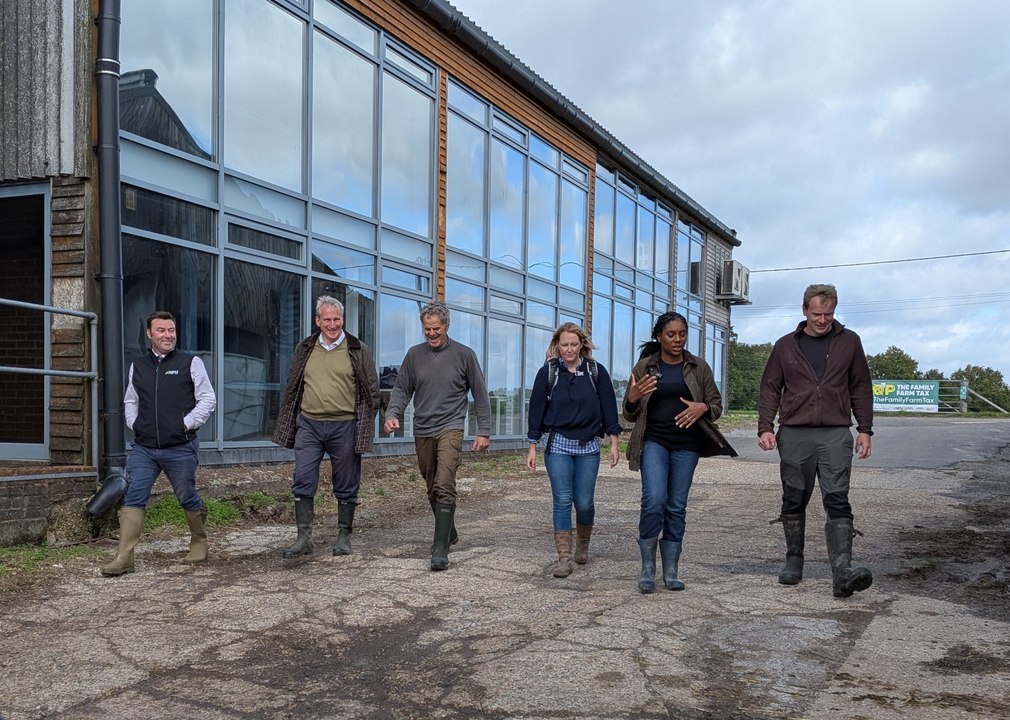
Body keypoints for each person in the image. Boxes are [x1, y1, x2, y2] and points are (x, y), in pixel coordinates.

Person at [758, 283, 874, 598]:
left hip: (836, 432)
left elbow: (861, 386)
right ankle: (794, 560)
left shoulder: (850, 342)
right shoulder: (785, 346)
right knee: (793, 498)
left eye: (828, 314)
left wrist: (865, 428)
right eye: (817, 313)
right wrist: (765, 427)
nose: (822, 320)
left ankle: (842, 572)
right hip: (795, 433)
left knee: (838, 498)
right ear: (804, 310)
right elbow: (770, 387)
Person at [622, 312, 736, 593]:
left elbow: (716, 405)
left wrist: (703, 408)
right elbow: (628, 414)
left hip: (687, 445)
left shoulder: (698, 367)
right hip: (654, 442)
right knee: (654, 500)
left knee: (676, 506)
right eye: (671, 334)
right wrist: (633, 399)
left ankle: (671, 570)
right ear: (659, 336)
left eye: (682, 334)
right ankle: (647, 568)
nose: (677, 339)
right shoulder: (644, 367)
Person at [102, 311, 217, 576]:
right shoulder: (138, 366)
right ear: (149, 334)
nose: (168, 335)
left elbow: (208, 399)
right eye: (162, 330)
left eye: (172, 330)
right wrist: (134, 424)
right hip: (144, 448)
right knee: (134, 496)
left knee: (187, 495)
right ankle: (124, 557)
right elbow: (131, 400)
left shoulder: (191, 362)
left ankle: (199, 541)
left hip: (180, 446)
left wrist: (184, 424)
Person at [382, 301, 492, 571]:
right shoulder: (414, 355)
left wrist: (484, 431)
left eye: (436, 329)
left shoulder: (464, 355)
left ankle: (439, 549)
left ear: (447, 326)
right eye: (427, 329)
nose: (431, 333)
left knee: (444, 481)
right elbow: (401, 389)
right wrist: (392, 413)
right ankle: (449, 532)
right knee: (431, 485)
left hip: (451, 426)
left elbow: (479, 393)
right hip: (423, 428)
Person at [273, 296, 381, 559]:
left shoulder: (358, 349)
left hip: (344, 425)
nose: (333, 324)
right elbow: (294, 383)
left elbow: (372, 390)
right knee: (303, 478)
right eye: (327, 319)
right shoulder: (305, 348)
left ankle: (343, 535)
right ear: (317, 321)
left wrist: (362, 423)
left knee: (346, 482)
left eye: (337, 319)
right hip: (309, 424)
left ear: (342, 320)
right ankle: (303, 538)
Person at [526, 323, 622, 578]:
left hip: (588, 446)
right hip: (558, 445)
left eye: (574, 344)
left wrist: (614, 442)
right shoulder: (548, 372)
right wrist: (532, 445)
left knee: (584, 503)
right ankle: (564, 558)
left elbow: (609, 406)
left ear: (582, 345)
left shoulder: (595, 371)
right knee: (561, 501)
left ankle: (583, 542)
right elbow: (535, 408)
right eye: (564, 344)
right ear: (557, 345)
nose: (569, 349)